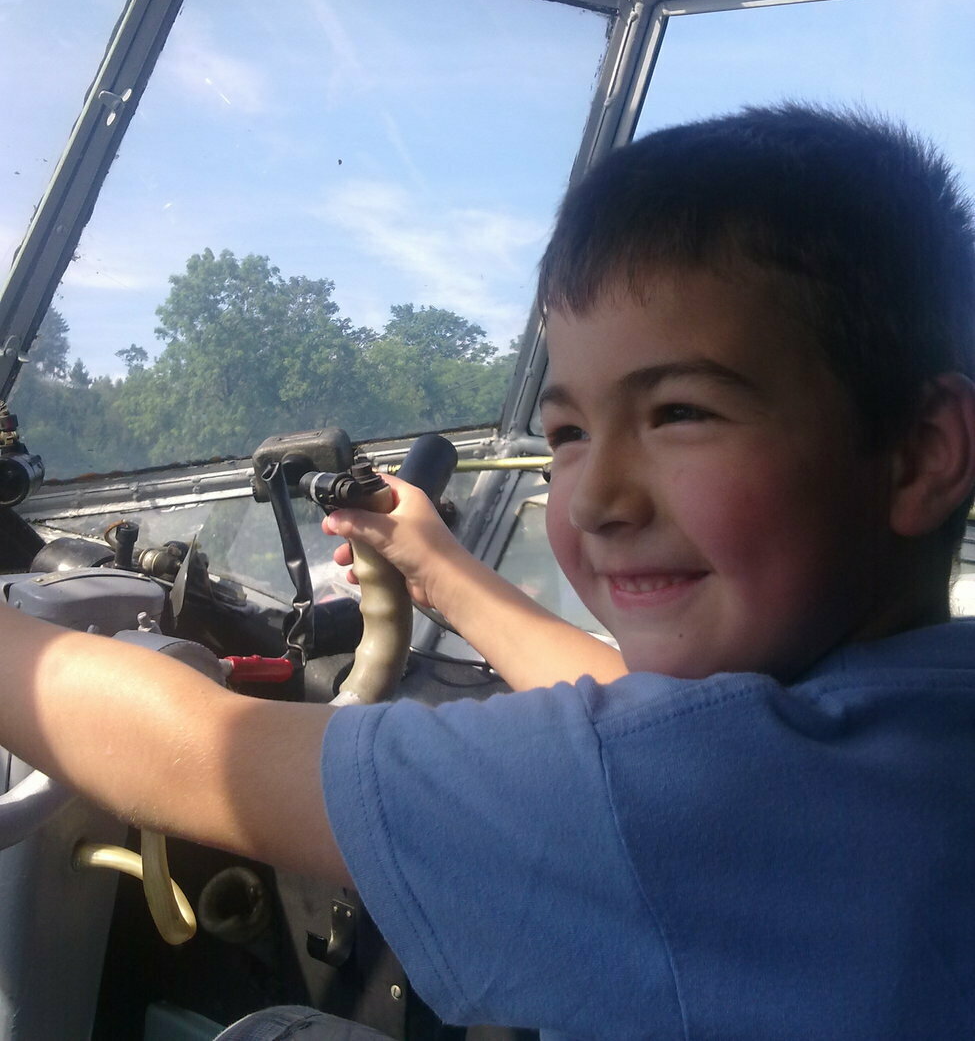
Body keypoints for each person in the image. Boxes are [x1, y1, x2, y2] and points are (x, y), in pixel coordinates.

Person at [2, 103, 974, 1040]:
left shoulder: (690, 801)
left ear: (922, 454)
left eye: (679, 412)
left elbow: (191, 753)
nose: (593, 501)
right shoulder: (904, 730)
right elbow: (650, 716)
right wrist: (439, 570)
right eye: (569, 433)